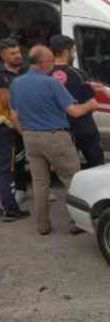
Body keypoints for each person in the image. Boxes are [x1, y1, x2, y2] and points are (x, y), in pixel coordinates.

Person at [9, 45, 97, 235]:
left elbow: (14, 115)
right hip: (55, 137)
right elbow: (74, 111)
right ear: (42, 63)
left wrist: (24, 133)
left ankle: (43, 225)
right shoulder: (51, 84)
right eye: (50, 60)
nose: (53, 63)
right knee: (72, 180)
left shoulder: (16, 83)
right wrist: (90, 104)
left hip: (30, 137)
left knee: (40, 184)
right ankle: (78, 221)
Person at [50, 35, 104, 168]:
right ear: (65, 52)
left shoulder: (45, 74)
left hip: (56, 128)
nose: (73, 54)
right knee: (96, 163)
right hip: (82, 127)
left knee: (66, 167)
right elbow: (93, 104)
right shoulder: (77, 74)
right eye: (72, 51)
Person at [0, 38, 28, 204]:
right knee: (16, 159)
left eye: (18, 52)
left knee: (36, 156)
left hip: (32, 120)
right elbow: (6, 103)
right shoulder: (1, 76)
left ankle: (43, 189)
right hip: (11, 124)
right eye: (13, 54)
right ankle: (20, 188)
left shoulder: (27, 70)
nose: (17, 56)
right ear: (3, 56)